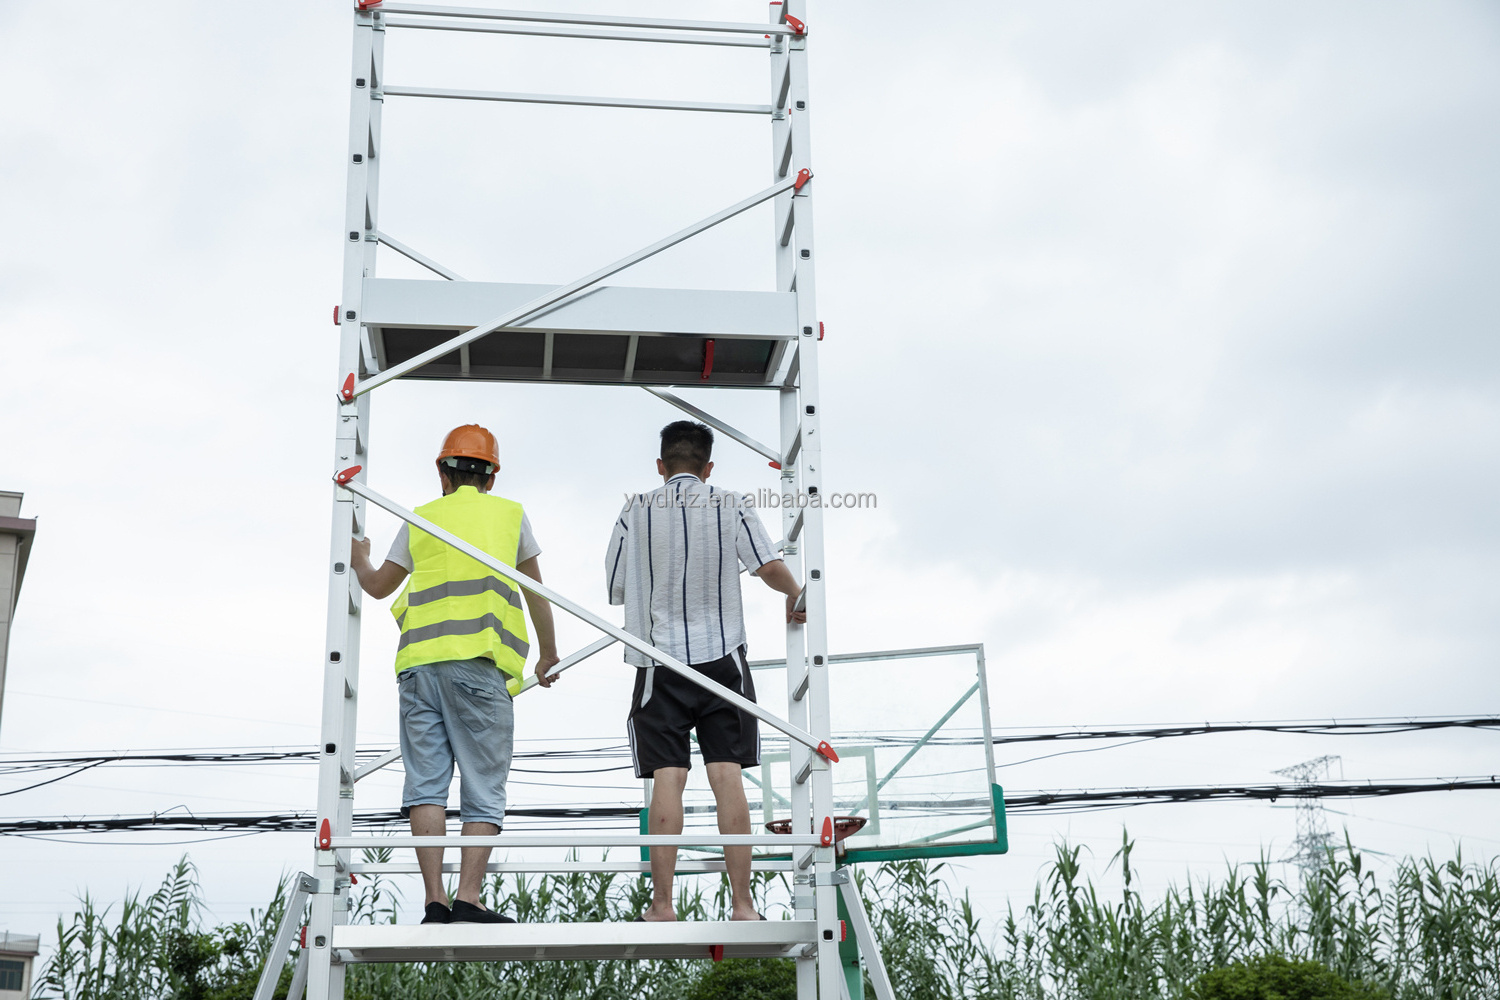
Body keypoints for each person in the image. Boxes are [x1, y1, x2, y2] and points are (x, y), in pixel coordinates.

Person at [549, 419, 804, 921]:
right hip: (723, 656)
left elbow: (617, 582)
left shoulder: (635, 508)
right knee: (727, 775)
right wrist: (797, 595)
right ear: (709, 468)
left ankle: (661, 905)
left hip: (658, 659)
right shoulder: (730, 503)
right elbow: (768, 567)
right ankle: (744, 904)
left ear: (661, 466)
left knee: (668, 776)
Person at [351, 424, 559, 925]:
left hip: (418, 669)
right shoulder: (510, 516)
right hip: (478, 669)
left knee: (425, 784)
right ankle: (469, 898)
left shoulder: (420, 518)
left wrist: (359, 558)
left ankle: (434, 901)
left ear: (443, 471)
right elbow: (536, 593)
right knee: (483, 786)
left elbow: (379, 587)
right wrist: (548, 654)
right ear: (491, 477)